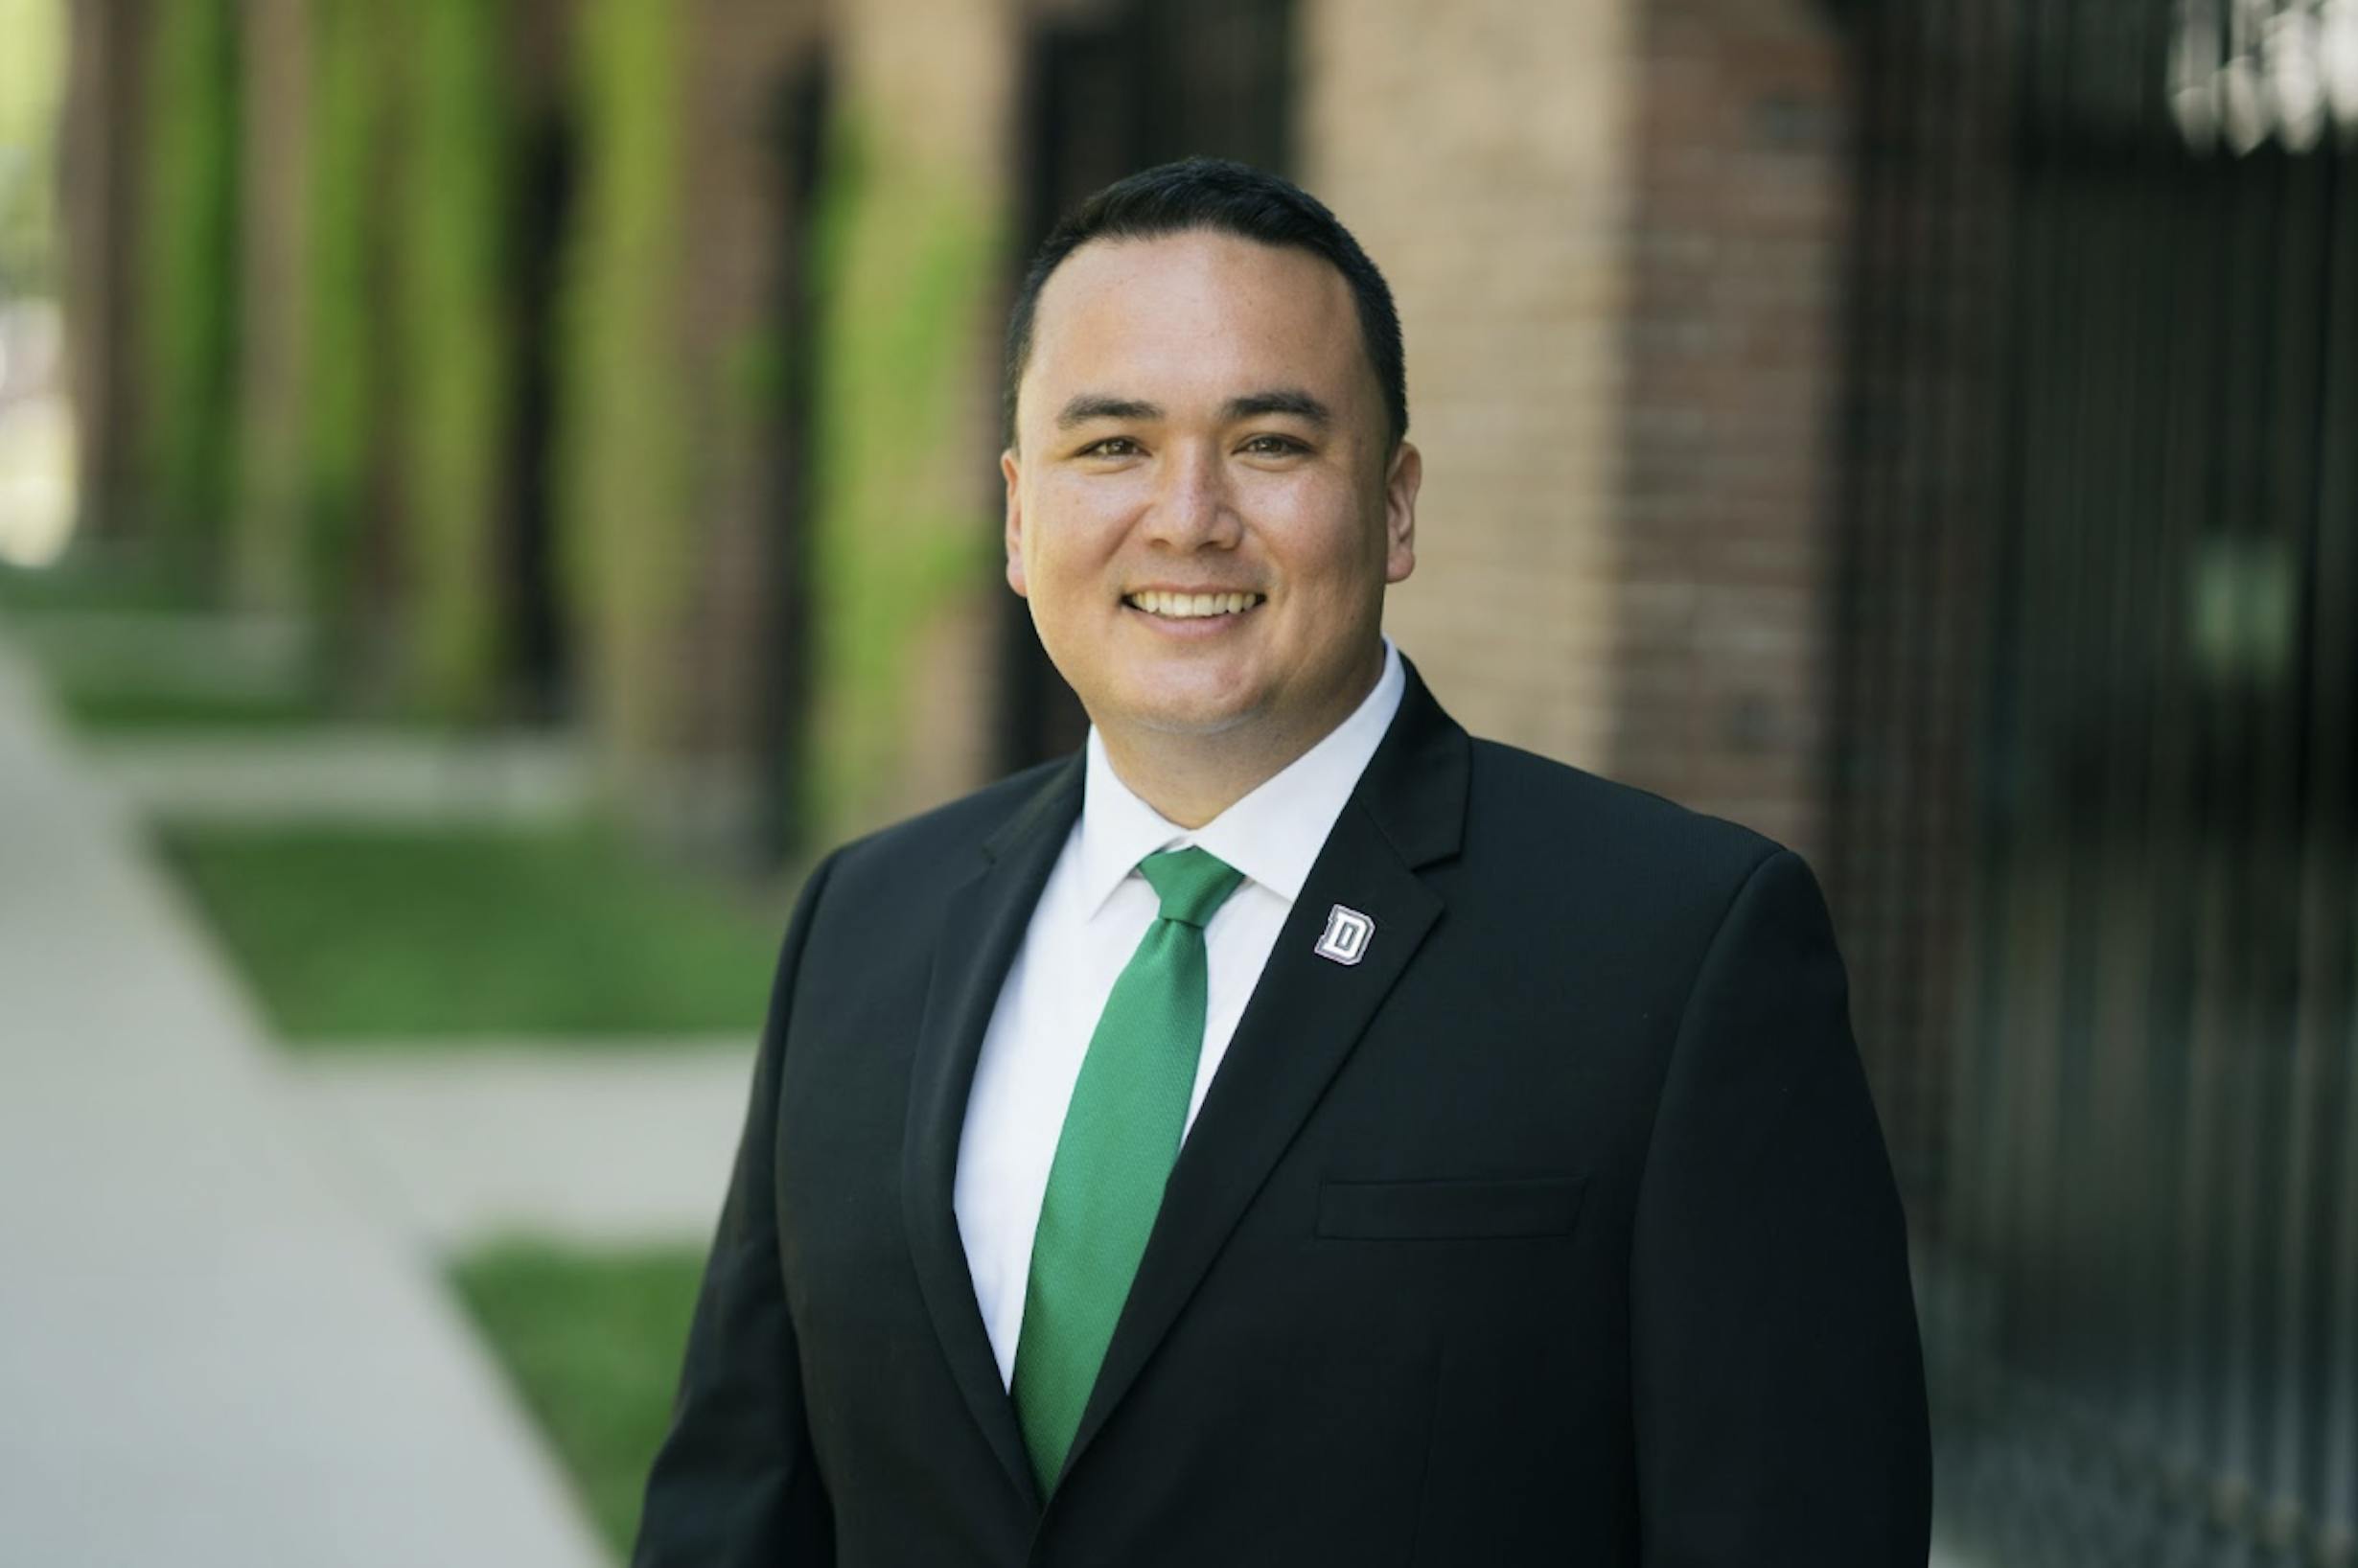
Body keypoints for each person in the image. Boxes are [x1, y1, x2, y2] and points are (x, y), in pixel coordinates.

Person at [633, 156, 1930, 1567]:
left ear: (1395, 507)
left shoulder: (1679, 952)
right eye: (1112, 446)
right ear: (1017, 515)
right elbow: (735, 1511)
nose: (1188, 516)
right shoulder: (862, 922)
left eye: (1268, 444)